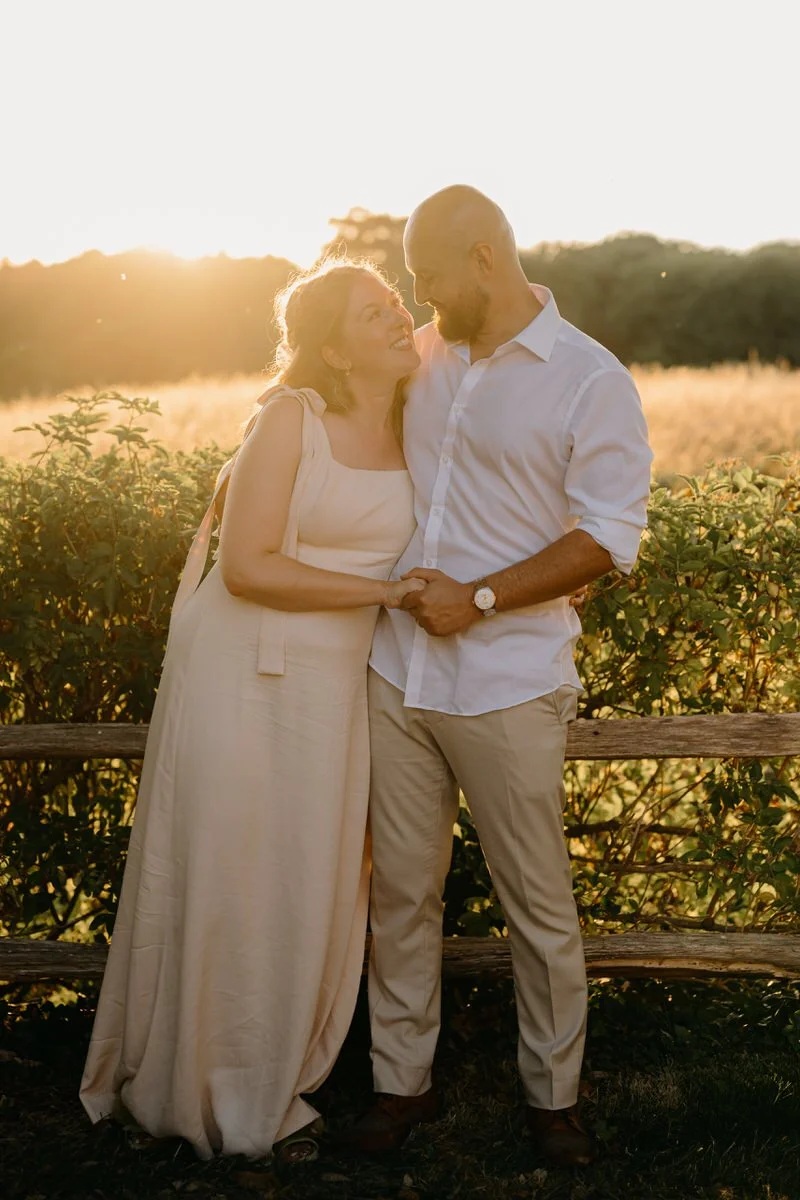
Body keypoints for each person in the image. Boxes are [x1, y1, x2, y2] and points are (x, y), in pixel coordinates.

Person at [79, 258, 424, 1164]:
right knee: (234, 867)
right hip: (240, 671)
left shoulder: (418, 421)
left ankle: (274, 1074)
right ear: (333, 351)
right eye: (372, 311)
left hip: (334, 686)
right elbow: (248, 566)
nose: (398, 316)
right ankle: (197, 1087)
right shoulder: (289, 419)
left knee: (306, 874)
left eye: (396, 302)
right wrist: (387, 590)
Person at [342, 186, 653, 1167]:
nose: (415, 296)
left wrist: (477, 598)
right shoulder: (422, 357)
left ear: (481, 256)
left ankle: (551, 1102)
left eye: (426, 275)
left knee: (537, 902)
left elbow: (607, 535)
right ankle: (401, 1088)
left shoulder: (587, 379)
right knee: (400, 896)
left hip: (508, 682)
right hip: (395, 676)